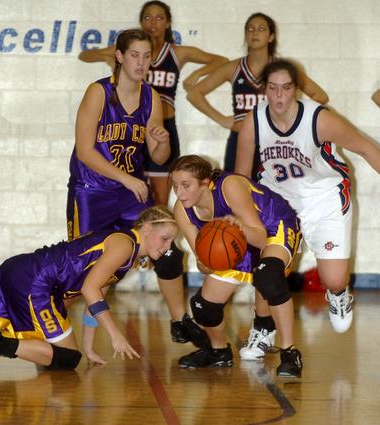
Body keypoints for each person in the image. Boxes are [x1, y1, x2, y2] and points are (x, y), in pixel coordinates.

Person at [69, 28, 208, 360]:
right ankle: (46, 326)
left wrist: (161, 142)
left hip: (130, 191)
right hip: (91, 191)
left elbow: (159, 157)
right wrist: (125, 178)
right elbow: (85, 151)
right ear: (119, 56)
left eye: (147, 56)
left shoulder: (151, 97)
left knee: (168, 250)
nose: (141, 62)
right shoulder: (99, 92)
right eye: (134, 55)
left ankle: (179, 321)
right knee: (88, 274)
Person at [235, 59, 380, 351]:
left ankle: (338, 294)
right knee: (267, 269)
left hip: (324, 199)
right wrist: (241, 217)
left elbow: (366, 147)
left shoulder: (319, 119)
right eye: (272, 88)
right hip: (278, 201)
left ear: (296, 90)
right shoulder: (253, 122)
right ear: (264, 90)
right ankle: (263, 330)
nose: (279, 96)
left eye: (286, 88)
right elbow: (240, 178)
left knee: (334, 279)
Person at [0, 206, 179, 370]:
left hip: (16, 270)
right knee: (67, 358)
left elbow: (94, 302)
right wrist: (115, 335)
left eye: (172, 242)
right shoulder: (125, 245)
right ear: (147, 227)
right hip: (36, 282)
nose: (168, 247)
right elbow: (90, 289)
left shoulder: (126, 250)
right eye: (165, 238)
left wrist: (89, 348)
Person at [79, 1, 228, 206]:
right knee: (131, 192)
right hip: (131, 130)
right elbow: (84, 55)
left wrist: (196, 74)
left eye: (159, 18)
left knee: (159, 201)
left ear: (168, 23)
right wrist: (107, 56)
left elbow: (220, 60)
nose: (153, 22)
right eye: (147, 17)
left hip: (161, 127)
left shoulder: (176, 53)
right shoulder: (124, 57)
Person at [170, 155, 303, 377]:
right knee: (203, 307)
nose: (179, 193)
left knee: (269, 277)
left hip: (271, 225)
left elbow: (260, 239)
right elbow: (204, 261)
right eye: (175, 186)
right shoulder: (182, 210)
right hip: (234, 239)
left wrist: (239, 228)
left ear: (205, 183)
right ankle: (219, 351)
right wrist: (206, 264)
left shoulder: (229, 187)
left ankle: (289, 352)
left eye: (186, 185)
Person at [186, 12, 328, 179]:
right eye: (250, 29)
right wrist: (222, 119)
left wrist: (293, 120)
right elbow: (194, 94)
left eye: (261, 29)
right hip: (240, 138)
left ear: (271, 36)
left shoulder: (283, 70)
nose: (254, 33)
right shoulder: (234, 68)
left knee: (274, 191)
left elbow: (320, 96)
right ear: (245, 35)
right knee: (235, 188)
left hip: (275, 140)